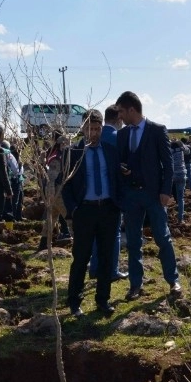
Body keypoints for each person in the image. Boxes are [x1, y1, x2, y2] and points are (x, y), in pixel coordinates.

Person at [115, 90, 181, 299]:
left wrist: (166, 191)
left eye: (121, 112)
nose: (120, 117)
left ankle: (173, 281)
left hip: (154, 195)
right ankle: (136, 285)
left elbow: (168, 164)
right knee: (134, 241)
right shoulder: (123, 134)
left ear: (131, 109)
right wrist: (122, 169)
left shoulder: (157, 130)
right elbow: (120, 160)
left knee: (162, 237)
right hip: (132, 196)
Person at [63, 109, 122, 316]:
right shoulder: (72, 153)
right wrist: (74, 209)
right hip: (84, 211)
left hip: (108, 209)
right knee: (81, 257)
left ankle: (103, 300)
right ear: (83, 128)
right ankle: (74, 301)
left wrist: (118, 204)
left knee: (106, 257)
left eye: (97, 129)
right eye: (90, 129)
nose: (94, 133)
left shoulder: (110, 151)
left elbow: (117, 179)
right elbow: (66, 185)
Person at [88, 105, 126, 282]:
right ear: (118, 119)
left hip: (93, 196)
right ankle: (112, 269)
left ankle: (95, 268)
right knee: (114, 234)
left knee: (96, 233)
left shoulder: (93, 137)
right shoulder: (118, 137)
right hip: (112, 194)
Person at [170, 138, 188, 223]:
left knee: (165, 197)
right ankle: (181, 219)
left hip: (172, 175)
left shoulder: (170, 150)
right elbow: (188, 150)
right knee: (181, 198)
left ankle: (164, 219)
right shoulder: (181, 150)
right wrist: (180, 142)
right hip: (182, 174)